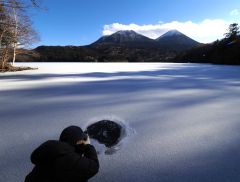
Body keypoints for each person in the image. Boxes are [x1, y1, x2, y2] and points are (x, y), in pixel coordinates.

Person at [25, 126, 99, 182]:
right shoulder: (67, 158)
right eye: (82, 139)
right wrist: (88, 146)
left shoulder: (50, 154)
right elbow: (93, 167)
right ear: (76, 141)